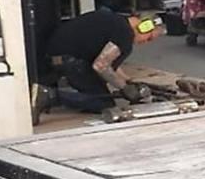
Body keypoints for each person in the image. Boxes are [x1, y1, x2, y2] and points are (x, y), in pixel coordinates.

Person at [32, 9, 160, 118]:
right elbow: (101, 66)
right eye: (149, 38)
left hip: (53, 55)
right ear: (145, 26)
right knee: (103, 102)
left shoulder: (116, 21)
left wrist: (128, 81)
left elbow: (110, 62)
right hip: (70, 61)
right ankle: (50, 96)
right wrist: (124, 88)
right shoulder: (125, 34)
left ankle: (62, 96)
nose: (146, 42)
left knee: (99, 89)